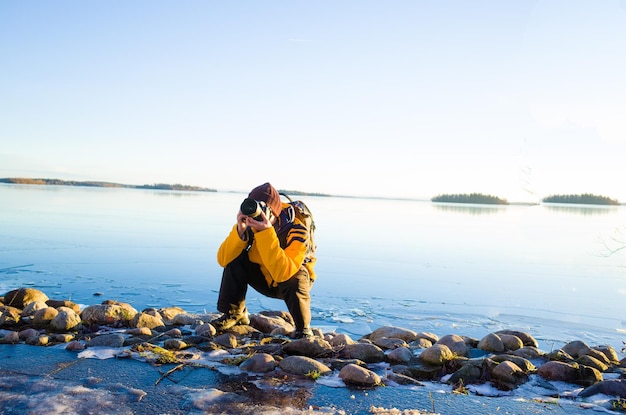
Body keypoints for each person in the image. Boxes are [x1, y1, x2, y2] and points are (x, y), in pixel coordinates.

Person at [213, 182, 316, 338]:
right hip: (263, 276)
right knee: (234, 258)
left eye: (262, 209)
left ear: (273, 212)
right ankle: (235, 314)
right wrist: (240, 231)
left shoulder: (297, 230)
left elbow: (284, 273)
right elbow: (223, 260)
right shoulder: (249, 226)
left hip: (288, 283)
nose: (256, 214)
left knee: (297, 277)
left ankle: (303, 330)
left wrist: (265, 232)